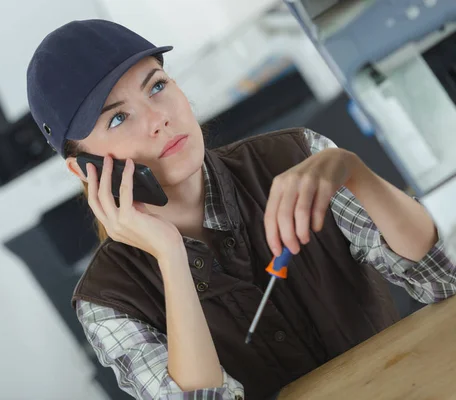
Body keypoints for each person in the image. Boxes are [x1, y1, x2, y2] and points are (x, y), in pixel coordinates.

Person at [26, 19, 456, 400]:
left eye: (157, 86)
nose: (158, 119)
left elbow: (443, 279)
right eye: (117, 119)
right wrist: (171, 256)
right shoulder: (107, 301)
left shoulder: (295, 155)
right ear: (84, 169)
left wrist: (355, 173)